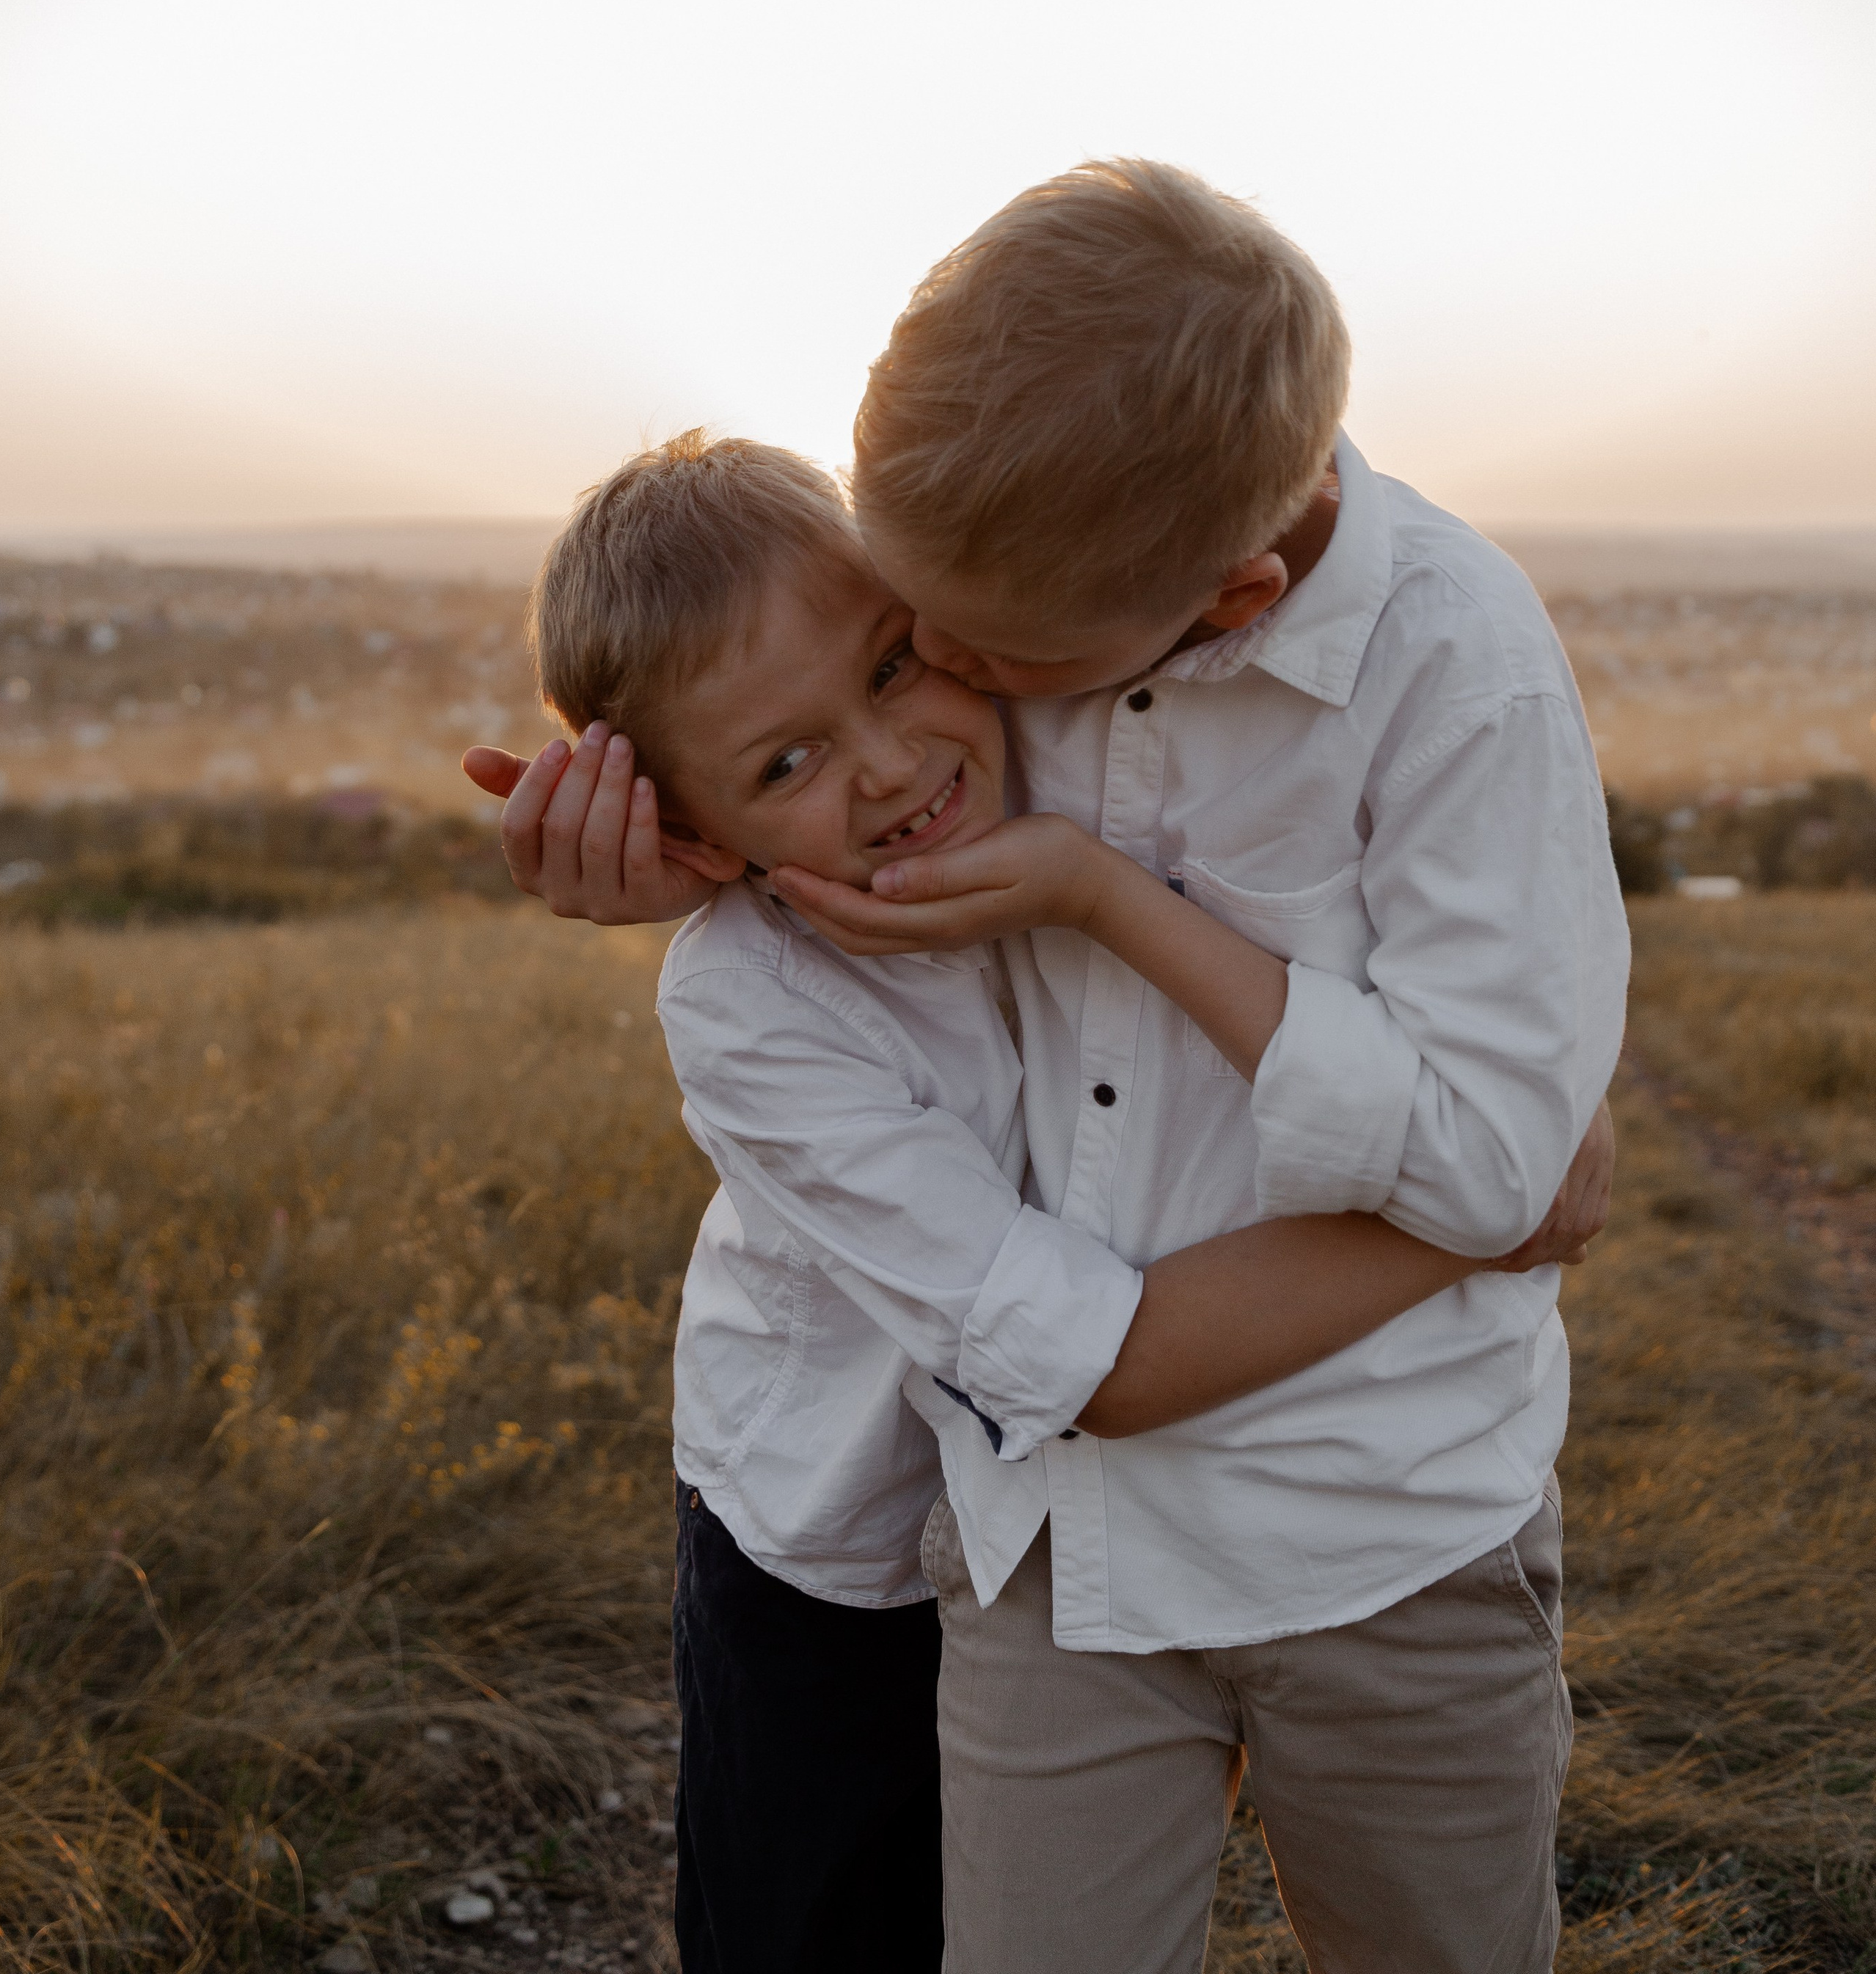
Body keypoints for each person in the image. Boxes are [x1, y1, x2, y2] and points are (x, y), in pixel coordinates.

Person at [470, 161, 1624, 1974]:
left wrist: (1487, 1105)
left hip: (1375, 1511)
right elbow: (1126, 1345)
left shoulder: (1213, 621)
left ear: (1218, 599)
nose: (946, 685)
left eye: (945, 657)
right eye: (912, 626)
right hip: (945, 1519)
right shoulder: (1015, 620)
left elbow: (1474, 1033)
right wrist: (1485, 1194)